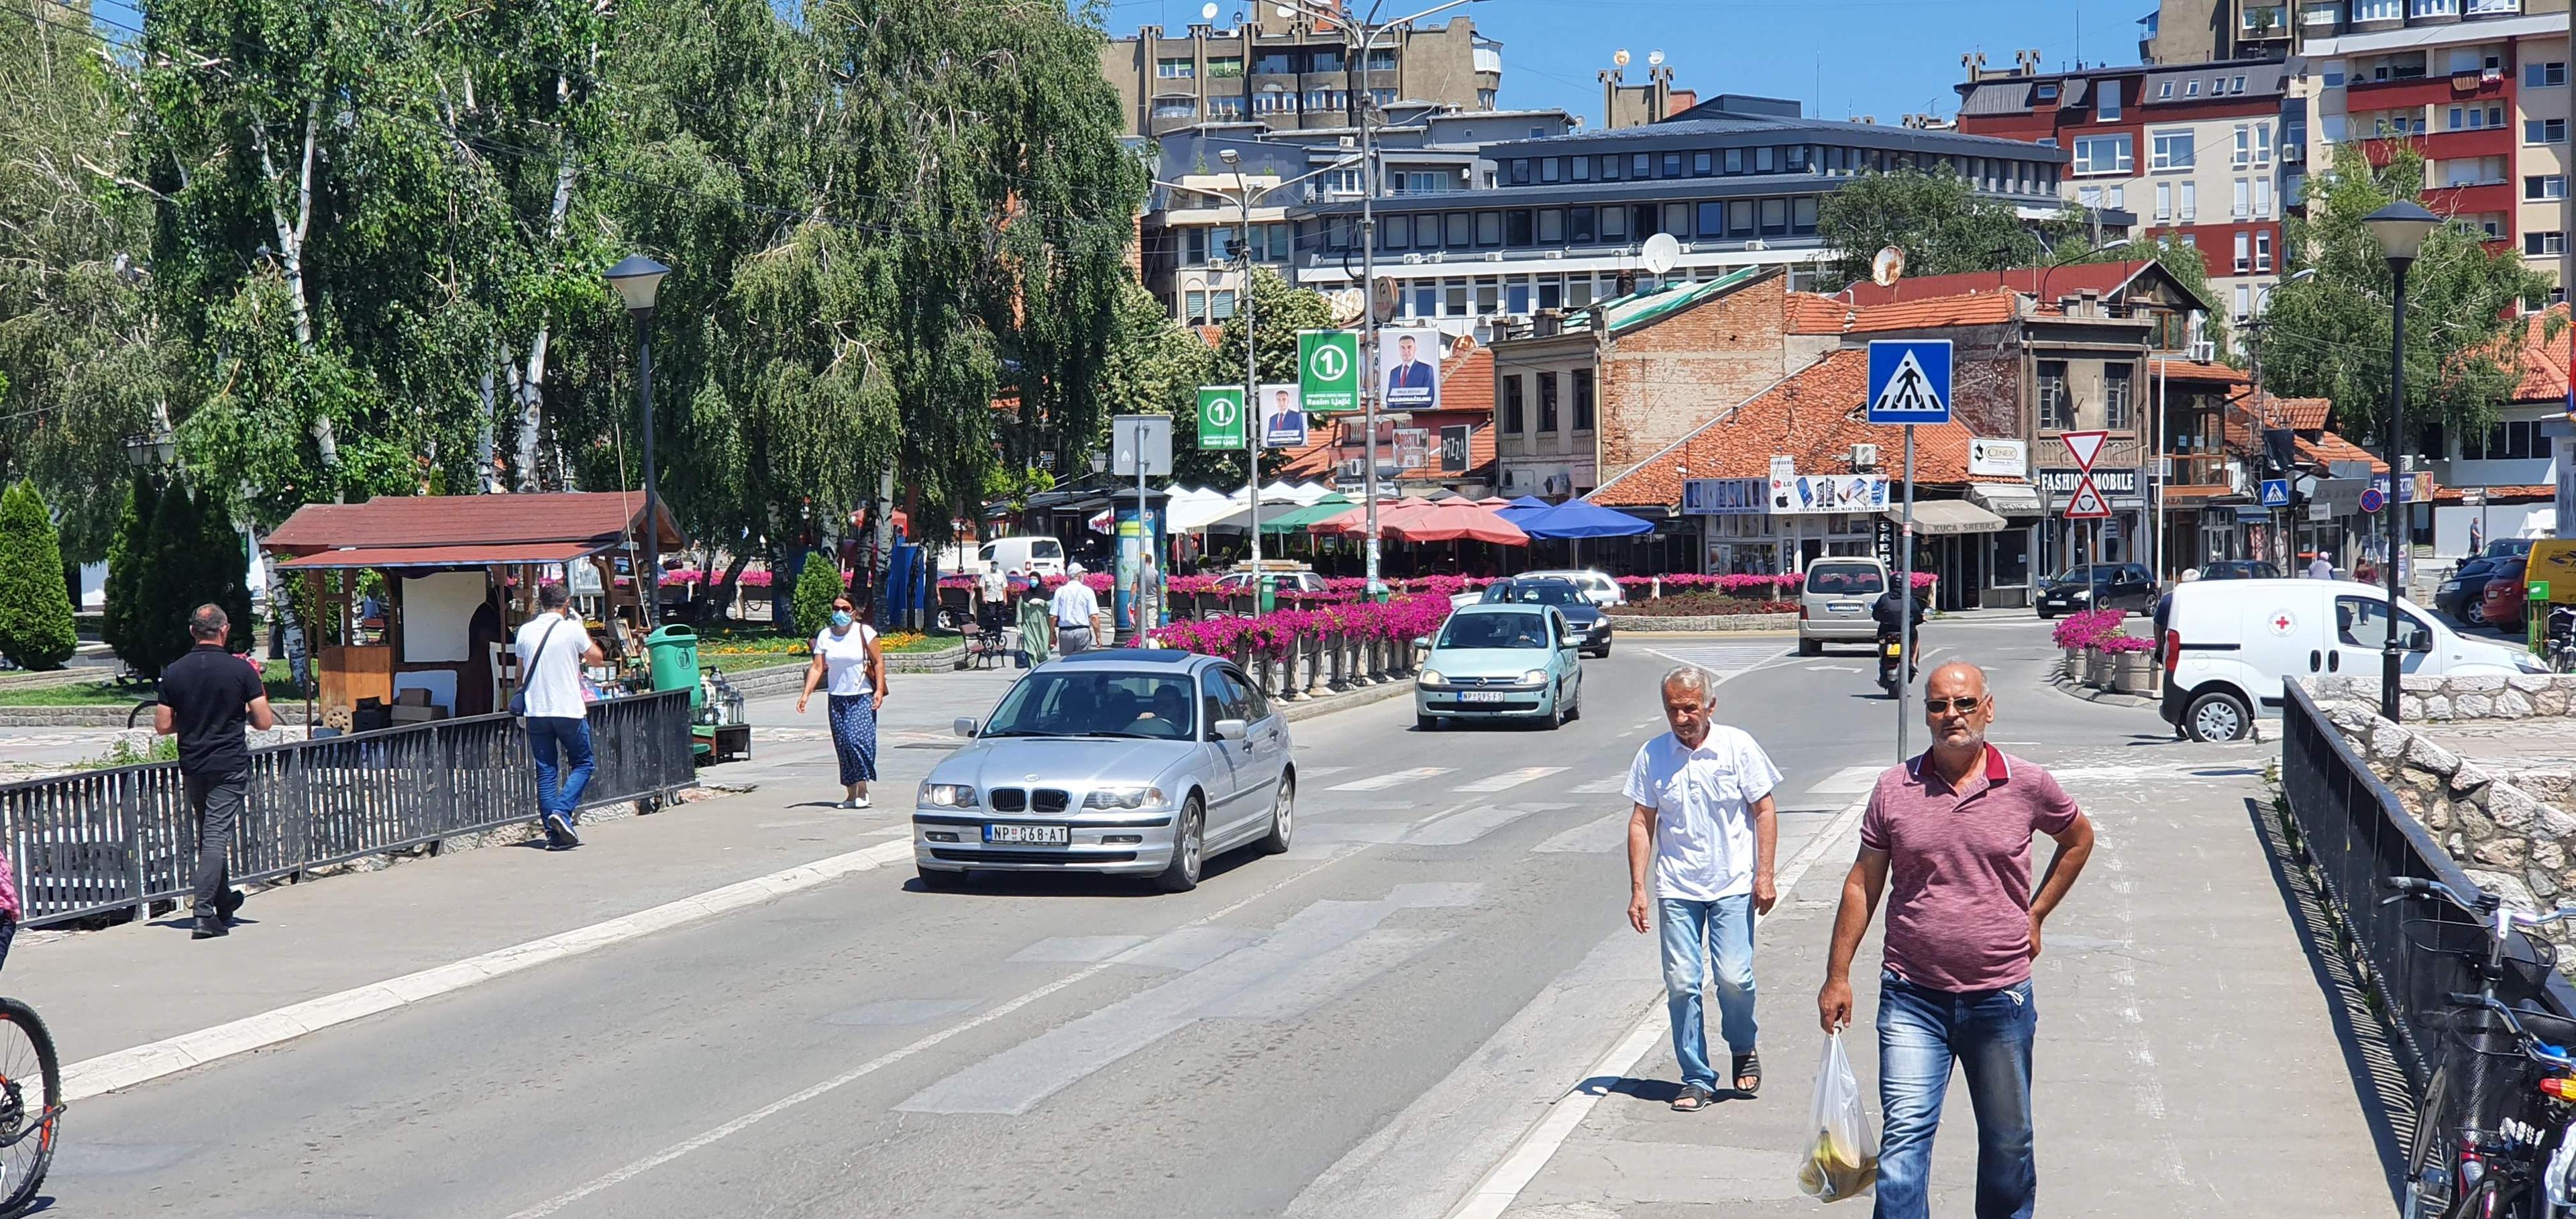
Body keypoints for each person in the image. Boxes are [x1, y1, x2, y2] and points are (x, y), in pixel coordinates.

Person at [1817, 661, 2096, 1219]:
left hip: (2000, 997)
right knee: (1903, 1146)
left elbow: (2078, 838)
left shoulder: (2028, 783)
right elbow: (1863, 880)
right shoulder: (1894, 788)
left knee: (2008, 1141)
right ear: (1926, 714)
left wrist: (2035, 914)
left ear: (1988, 708)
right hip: (1912, 995)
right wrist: (1838, 974)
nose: (1953, 716)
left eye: (1965, 704)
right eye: (1940, 705)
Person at [1624, 666, 1781, 1112]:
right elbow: (1641, 822)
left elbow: (1764, 810)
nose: (1681, 717)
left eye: (1690, 707)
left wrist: (1764, 874)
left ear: (1710, 705)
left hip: (1731, 883)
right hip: (1677, 886)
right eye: (1673, 708)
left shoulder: (1738, 747)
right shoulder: (1654, 755)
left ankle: (1742, 1042)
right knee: (1681, 983)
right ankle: (1695, 1075)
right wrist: (1638, 888)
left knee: (1734, 977)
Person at [154, 604, 276, 938]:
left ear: (192, 631)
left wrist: (191, 720)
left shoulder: (175, 671)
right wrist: (238, 717)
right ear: (225, 630)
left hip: (193, 763)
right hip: (229, 764)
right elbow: (264, 721)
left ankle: (223, 902)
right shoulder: (242, 671)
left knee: (208, 833)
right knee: (215, 837)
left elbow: (163, 726)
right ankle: (204, 913)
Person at [515, 584, 604, 850]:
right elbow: (597, 658)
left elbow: (520, 673)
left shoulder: (525, 631)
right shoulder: (571, 629)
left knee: (546, 772)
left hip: (536, 710)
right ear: (567, 604)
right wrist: (581, 626)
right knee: (584, 763)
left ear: (541, 603)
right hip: (567, 709)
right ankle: (562, 812)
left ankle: (554, 837)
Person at [798, 592, 887, 808]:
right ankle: (850, 794)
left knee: (855, 741)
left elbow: (878, 662)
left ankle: (863, 789)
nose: (840, 613)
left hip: (862, 695)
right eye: (836, 608)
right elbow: (818, 667)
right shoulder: (825, 636)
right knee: (842, 746)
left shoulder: (864, 632)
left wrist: (879, 690)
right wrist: (806, 694)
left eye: (845, 609)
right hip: (837, 697)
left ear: (854, 612)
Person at [1051, 571, 1100, 653]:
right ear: (1081, 576)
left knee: (1066, 662)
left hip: (1065, 632)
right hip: (1082, 631)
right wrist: (1098, 637)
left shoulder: (1060, 591)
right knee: (1082, 662)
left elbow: (1053, 616)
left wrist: (1052, 634)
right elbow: (1094, 617)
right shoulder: (1088, 591)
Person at [1385, 334, 1436, 403]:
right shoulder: (1393, 372)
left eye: (1409, 347)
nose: (1406, 351)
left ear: (1415, 349)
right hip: (1396, 413)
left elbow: (1428, 398)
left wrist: (1411, 409)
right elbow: (1389, 398)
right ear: (1399, 349)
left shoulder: (1426, 370)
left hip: (1416, 413)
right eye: (1403, 348)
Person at [1016, 580, 1054, 668]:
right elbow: (1020, 611)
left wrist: (1042, 602)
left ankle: (1043, 670)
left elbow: (1052, 605)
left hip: (1043, 625)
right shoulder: (1024, 595)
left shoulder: (1046, 594)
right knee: (1031, 650)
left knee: (1043, 650)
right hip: (1028, 626)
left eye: (1035, 579)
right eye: (1031, 579)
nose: (1033, 581)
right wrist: (1019, 626)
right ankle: (1033, 670)